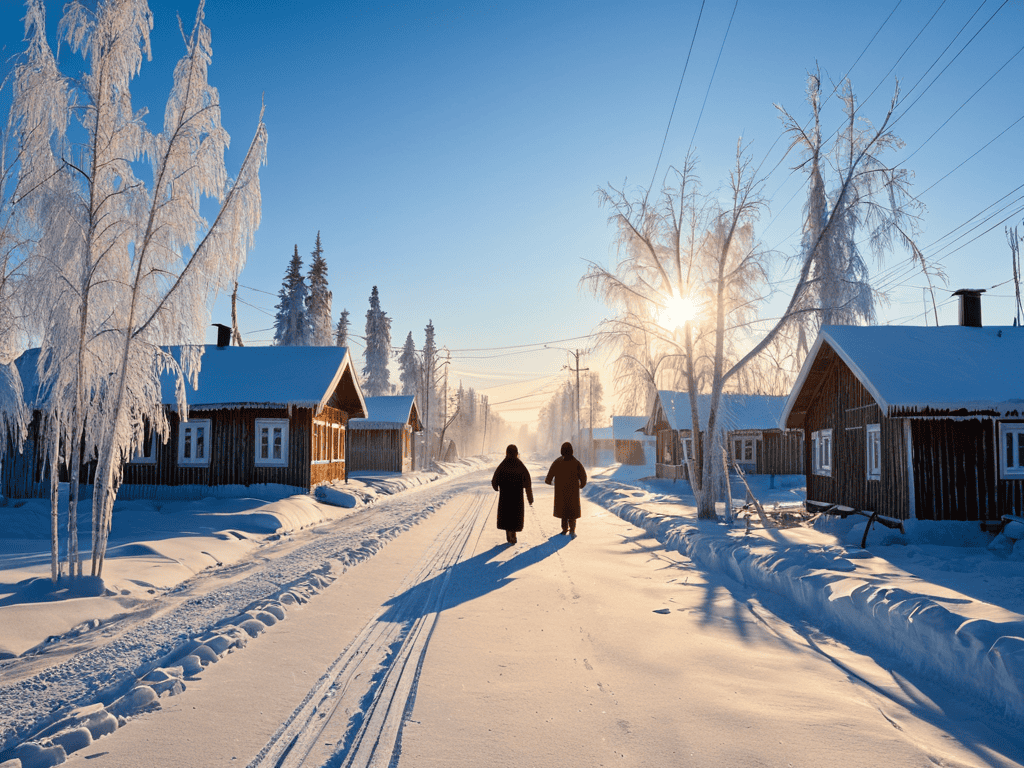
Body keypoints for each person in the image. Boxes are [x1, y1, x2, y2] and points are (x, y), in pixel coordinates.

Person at [491, 444, 533, 545]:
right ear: (516, 453)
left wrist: (496, 487)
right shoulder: (520, 464)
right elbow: (527, 481)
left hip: (505, 496)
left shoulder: (503, 464)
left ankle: (508, 534)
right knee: (514, 516)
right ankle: (513, 534)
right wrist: (529, 497)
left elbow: (494, 480)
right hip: (516, 496)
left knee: (506, 516)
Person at [545, 441, 587, 537]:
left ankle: (564, 529)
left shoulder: (557, 462)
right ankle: (572, 529)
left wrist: (549, 481)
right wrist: (581, 485)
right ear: (572, 451)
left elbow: (549, 477)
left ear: (562, 451)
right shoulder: (576, 462)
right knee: (572, 510)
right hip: (573, 492)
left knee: (563, 510)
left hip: (561, 491)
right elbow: (583, 476)